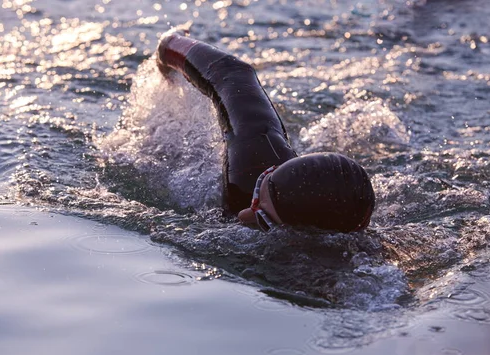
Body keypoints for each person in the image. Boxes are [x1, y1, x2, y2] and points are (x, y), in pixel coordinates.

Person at [155, 29, 375, 233]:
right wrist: (170, 45)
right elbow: (232, 75)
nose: (244, 214)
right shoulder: (253, 164)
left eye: (265, 219)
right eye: (259, 190)